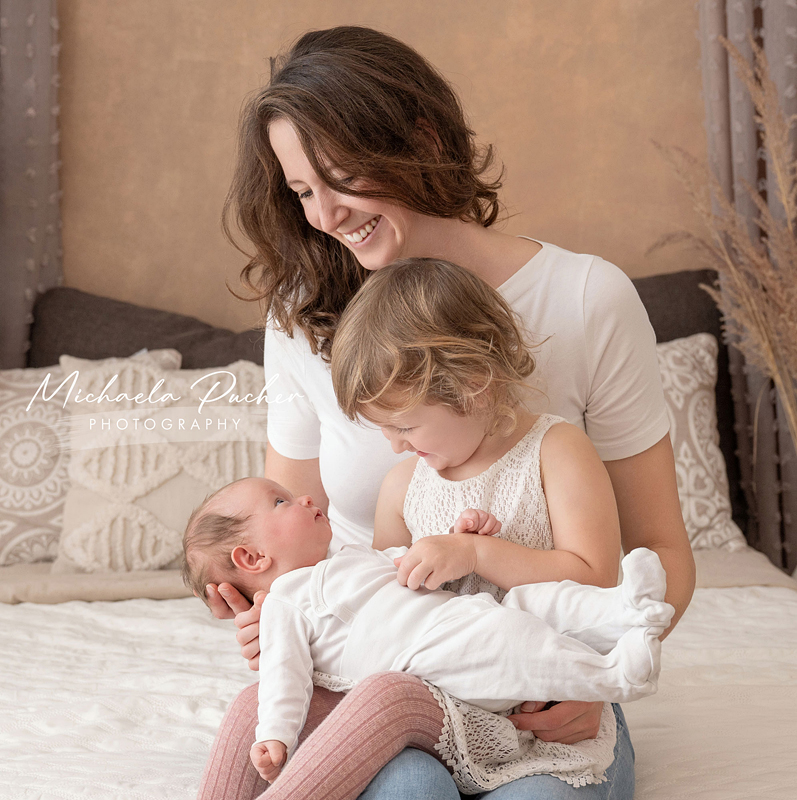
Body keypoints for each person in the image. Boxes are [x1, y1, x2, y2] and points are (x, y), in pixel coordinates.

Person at [200, 24, 696, 800]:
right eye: (302, 192)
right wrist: (265, 608)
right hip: (388, 674)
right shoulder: (301, 315)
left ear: (420, 141)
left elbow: (659, 545)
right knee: (405, 792)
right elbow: (296, 525)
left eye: (339, 178)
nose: (325, 214)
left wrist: (591, 680)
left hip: (539, 681)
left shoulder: (584, 299)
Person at [182, 477, 673, 795]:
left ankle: (625, 609)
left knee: (534, 608)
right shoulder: (286, 601)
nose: (307, 497)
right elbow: (284, 678)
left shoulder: (352, 558)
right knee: (515, 640)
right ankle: (614, 673)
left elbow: (421, 566)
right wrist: (275, 736)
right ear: (251, 559)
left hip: (460, 632)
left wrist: (461, 541)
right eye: (281, 501)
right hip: (443, 658)